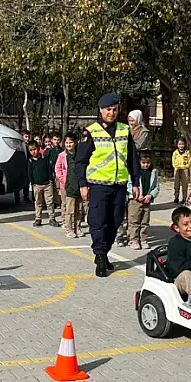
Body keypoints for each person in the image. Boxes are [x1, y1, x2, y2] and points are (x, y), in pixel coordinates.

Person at [75, 93, 140, 277]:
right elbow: (80, 162)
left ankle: (104, 251)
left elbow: (132, 159)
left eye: (114, 109)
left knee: (116, 221)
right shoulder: (91, 132)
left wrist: (135, 182)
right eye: (108, 109)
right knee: (98, 222)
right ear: (101, 110)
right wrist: (83, 185)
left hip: (119, 185)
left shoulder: (124, 130)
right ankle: (101, 257)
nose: (111, 113)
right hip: (98, 186)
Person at [127, 152, 159, 250]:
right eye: (143, 163)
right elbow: (129, 185)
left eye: (148, 162)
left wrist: (150, 195)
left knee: (145, 221)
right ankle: (133, 239)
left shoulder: (153, 172)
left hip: (146, 200)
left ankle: (143, 239)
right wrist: (137, 195)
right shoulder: (133, 172)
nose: (145, 165)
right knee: (134, 221)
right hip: (135, 200)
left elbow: (156, 187)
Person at [56, 133, 84, 238]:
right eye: (67, 143)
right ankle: (69, 228)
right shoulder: (62, 156)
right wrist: (62, 179)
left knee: (79, 209)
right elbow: (57, 169)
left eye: (71, 142)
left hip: (79, 186)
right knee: (70, 209)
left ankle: (78, 227)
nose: (69, 145)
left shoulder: (80, 155)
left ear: (75, 142)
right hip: (68, 186)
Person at [27, 141, 56, 227]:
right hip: (37, 185)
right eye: (31, 150)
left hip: (47, 184)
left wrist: (51, 180)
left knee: (50, 201)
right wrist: (33, 183)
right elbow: (30, 173)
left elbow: (50, 169)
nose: (33, 152)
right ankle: (38, 218)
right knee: (38, 202)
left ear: (39, 148)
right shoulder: (30, 161)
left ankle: (52, 218)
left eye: (35, 149)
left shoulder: (45, 158)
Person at [171, 137, 191, 204]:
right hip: (177, 169)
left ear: (185, 144)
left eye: (182, 144)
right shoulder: (175, 153)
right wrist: (176, 166)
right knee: (176, 185)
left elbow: (189, 161)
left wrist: (186, 166)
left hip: (185, 170)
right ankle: (176, 198)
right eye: (179, 144)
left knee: (185, 184)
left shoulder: (187, 152)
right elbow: (173, 161)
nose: (181, 146)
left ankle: (184, 199)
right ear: (177, 144)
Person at [16, 130, 32, 205]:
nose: (27, 138)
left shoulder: (29, 146)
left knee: (26, 182)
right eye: (26, 137)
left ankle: (26, 197)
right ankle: (17, 197)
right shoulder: (19, 146)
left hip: (27, 166)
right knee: (18, 182)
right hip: (20, 166)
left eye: (28, 137)